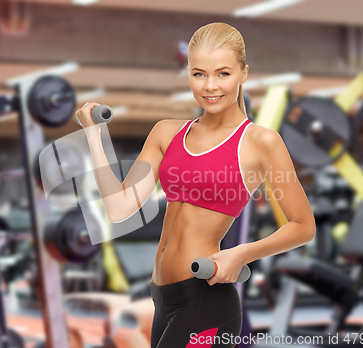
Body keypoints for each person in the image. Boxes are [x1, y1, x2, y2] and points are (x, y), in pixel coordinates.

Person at [75, 22, 316, 348]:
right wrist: (94, 135)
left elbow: (303, 226)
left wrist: (240, 255)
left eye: (223, 74)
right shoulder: (165, 132)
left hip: (206, 299)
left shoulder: (259, 142)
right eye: (199, 74)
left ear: (244, 74)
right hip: (162, 298)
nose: (210, 86)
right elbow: (119, 209)